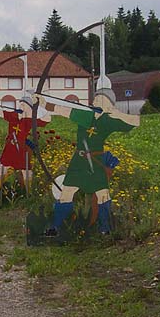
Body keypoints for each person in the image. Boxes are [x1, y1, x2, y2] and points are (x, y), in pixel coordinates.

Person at [38, 89, 140, 236]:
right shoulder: (86, 115)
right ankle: (55, 227)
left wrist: (118, 113)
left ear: (109, 104)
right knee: (66, 192)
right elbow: (63, 110)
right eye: (95, 98)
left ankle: (105, 229)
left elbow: (136, 121)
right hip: (79, 161)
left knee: (103, 194)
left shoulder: (109, 120)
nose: (94, 102)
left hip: (96, 161)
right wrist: (44, 104)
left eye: (99, 99)